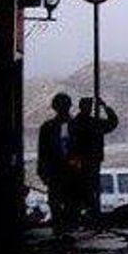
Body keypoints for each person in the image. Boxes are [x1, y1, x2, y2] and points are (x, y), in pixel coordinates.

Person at [68, 96, 119, 220]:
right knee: (90, 189)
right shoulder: (93, 123)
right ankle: (91, 214)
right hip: (90, 160)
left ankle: (81, 215)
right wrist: (104, 106)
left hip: (81, 162)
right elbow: (113, 122)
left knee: (83, 190)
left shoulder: (75, 123)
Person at [37, 93, 76, 228]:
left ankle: (66, 228)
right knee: (56, 203)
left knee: (70, 203)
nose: (63, 108)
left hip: (71, 172)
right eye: (61, 105)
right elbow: (42, 151)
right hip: (56, 172)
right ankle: (61, 229)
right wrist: (43, 171)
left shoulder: (76, 126)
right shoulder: (48, 128)